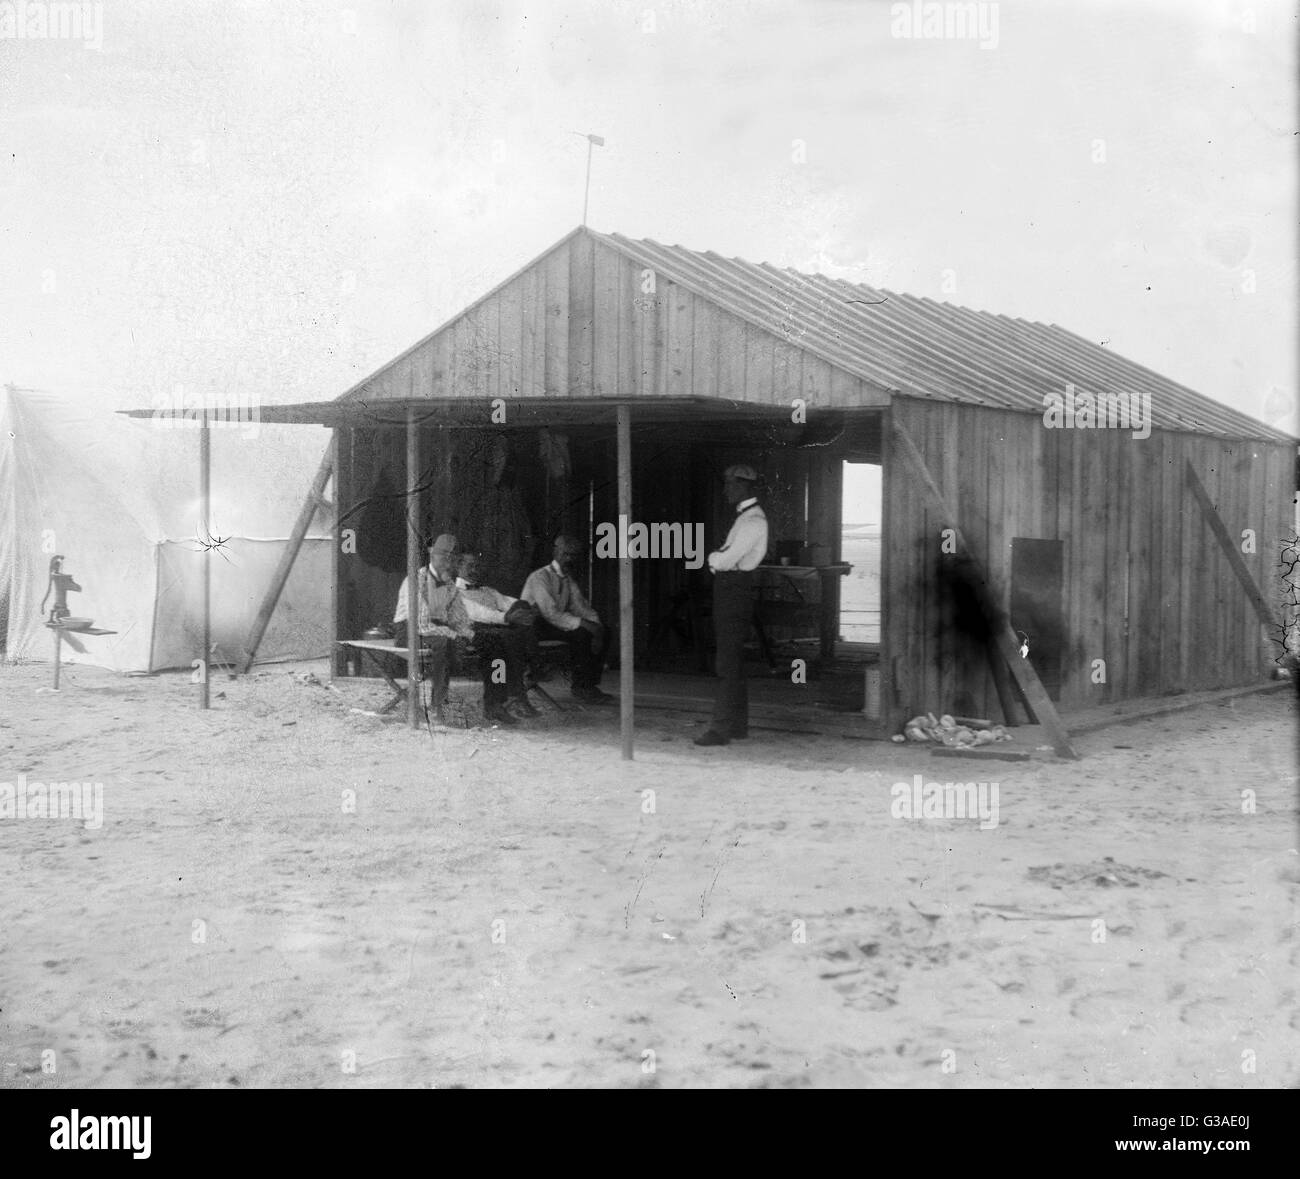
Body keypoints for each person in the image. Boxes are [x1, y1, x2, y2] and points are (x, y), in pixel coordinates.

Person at [392, 533, 517, 728]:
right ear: (432, 555)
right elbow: (423, 623)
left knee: (492, 641)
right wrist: (453, 634)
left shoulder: (448, 583)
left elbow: (458, 618)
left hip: (439, 628)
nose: (448, 560)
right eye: (443, 555)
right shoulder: (418, 580)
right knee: (444, 644)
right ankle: (437, 707)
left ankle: (495, 704)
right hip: (409, 630)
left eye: (451, 556)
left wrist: (471, 634)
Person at [694, 464, 769, 746]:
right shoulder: (745, 518)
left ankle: (720, 729)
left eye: (730, 485)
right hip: (731, 587)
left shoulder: (753, 521)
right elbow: (726, 555)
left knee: (727, 661)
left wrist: (714, 560)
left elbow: (724, 559)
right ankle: (736, 725)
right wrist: (720, 558)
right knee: (733, 660)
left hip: (734, 587)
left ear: (745, 486)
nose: (726, 489)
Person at [521, 534, 612, 703]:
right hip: (534, 627)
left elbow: (581, 607)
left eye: (573, 555)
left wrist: (597, 627)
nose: (568, 559)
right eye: (565, 554)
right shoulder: (540, 577)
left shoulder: (567, 579)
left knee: (604, 630)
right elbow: (550, 613)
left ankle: (589, 685)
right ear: (555, 552)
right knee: (581, 633)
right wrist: (585, 625)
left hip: (554, 624)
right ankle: (580, 686)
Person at [455, 552, 540, 719]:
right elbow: (478, 613)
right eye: (470, 566)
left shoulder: (488, 591)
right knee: (503, 644)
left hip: (499, 628)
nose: (474, 570)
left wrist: (528, 609)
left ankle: (514, 697)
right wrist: (507, 617)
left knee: (520, 610)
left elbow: (509, 603)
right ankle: (498, 702)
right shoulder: (454, 592)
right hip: (472, 632)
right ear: (458, 567)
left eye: (477, 566)